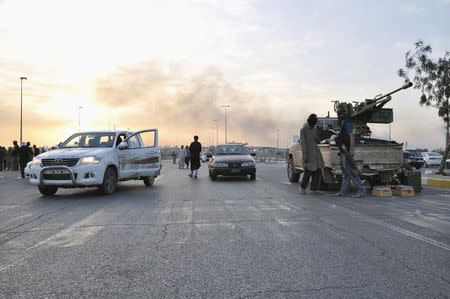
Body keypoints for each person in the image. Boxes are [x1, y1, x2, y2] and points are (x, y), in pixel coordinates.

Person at [334, 104, 366, 198]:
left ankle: (361, 190)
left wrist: (351, 150)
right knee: (345, 171)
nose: (340, 114)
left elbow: (351, 136)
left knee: (351, 171)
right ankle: (343, 191)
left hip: (347, 150)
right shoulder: (343, 122)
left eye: (341, 112)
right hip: (344, 150)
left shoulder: (347, 122)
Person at [299, 114, 325, 194]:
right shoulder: (303, 130)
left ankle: (314, 189)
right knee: (308, 171)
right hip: (309, 154)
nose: (314, 124)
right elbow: (303, 143)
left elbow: (318, 140)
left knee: (317, 171)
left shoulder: (314, 129)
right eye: (313, 123)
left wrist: (318, 139)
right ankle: (302, 188)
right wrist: (305, 155)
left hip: (316, 153)